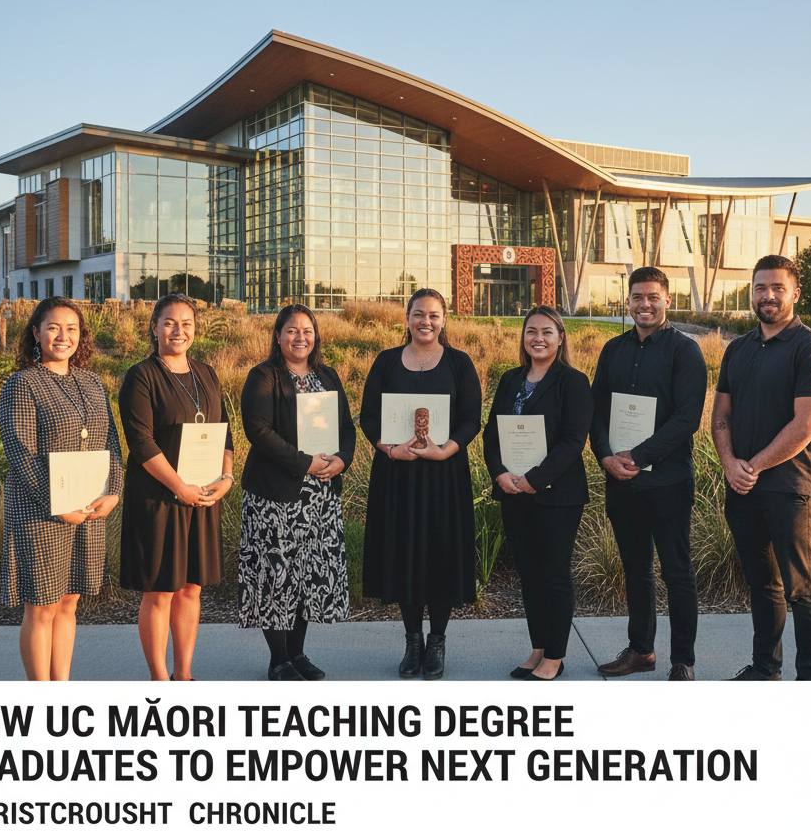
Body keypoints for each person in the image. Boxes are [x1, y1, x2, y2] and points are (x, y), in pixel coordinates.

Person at [712, 254, 811, 681]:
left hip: (791, 488)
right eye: (760, 287)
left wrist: (754, 465)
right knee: (762, 586)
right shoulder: (739, 349)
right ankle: (766, 670)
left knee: (802, 588)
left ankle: (809, 680)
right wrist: (730, 464)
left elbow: (806, 425)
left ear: (795, 293)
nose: (768, 295)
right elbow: (720, 415)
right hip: (743, 489)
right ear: (751, 292)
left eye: (777, 288)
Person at [590, 267, 708, 681]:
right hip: (622, 481)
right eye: (637, 297)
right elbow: (597, 410)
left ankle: (683, 661)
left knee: (677, 571)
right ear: (628, 301)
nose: (645, 304)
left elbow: (686, 419)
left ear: (667, 301)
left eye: (653, 297)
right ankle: (641, 651)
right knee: (635, 568)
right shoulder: (612, 350)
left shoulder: (685, 351)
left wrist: (636, 456)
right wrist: (606, 456)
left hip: (669, 482)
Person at [0, 297, 123, 680]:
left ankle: (62, 688)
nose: (63, 336)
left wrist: (114, 490)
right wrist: (58, 503)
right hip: (39, 511)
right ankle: (42, 701)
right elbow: (21, 453)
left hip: (86, 509)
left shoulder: (91, 381)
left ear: (81, 335)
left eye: (71, 328)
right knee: (42, 606)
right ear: (36, 332)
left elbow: (111, 443)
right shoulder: (22, 384)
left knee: (69, 602)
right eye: (53, 327)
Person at [360, 288, 481, 679]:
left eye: (432, 315)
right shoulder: (386, 361)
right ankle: (413, 641)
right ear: (406, 318)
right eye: (417, 314)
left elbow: (470, 418)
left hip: (443, 476)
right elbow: (368, 417)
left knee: (440, 554)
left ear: (444, 319)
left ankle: (438, 642)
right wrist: (389, 449)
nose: (425, 322)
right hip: (397, 475)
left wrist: (445, 450)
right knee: (404, 553)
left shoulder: (460, 364)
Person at [119, 293, 234, 681]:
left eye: (186, 323)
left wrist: (227, 477)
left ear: (195, 330)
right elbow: (141, 442)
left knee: (190, 588)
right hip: (159, 498)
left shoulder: (206, 373)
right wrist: (178, 486)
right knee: (160, 591)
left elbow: (225, 433)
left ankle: (184, 674)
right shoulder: (141, 375)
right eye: (169, 322)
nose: (178, 330)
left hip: (201, 497)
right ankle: (160, 679)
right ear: (154, 328)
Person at [238, 303, 356, 681]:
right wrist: (304, 462)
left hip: (320, 496)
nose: (300, 337)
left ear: (316, 336)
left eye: (307, 330)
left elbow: (346, 428)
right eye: (291, 330)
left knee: (307, 575)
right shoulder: (264, 376)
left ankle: (299, 653)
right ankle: (279, 660)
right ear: (277, 335)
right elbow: (258, 431)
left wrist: (342, 459)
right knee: (276, 575)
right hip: (275, 497)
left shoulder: (327, 375)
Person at [483, 305, 593, 681]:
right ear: (523, 337)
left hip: (556, 494)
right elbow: (491, 434)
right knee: (529, 574)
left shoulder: (573, 382)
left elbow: (573, 441)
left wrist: (534, 478)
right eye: (531, 331)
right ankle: (538, 648)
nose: (538, 338)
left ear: (561, 337)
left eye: (547, 332)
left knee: (554, 574)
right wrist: (499, 473)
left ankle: (555, 657)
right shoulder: (510, 379)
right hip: (513, 492)